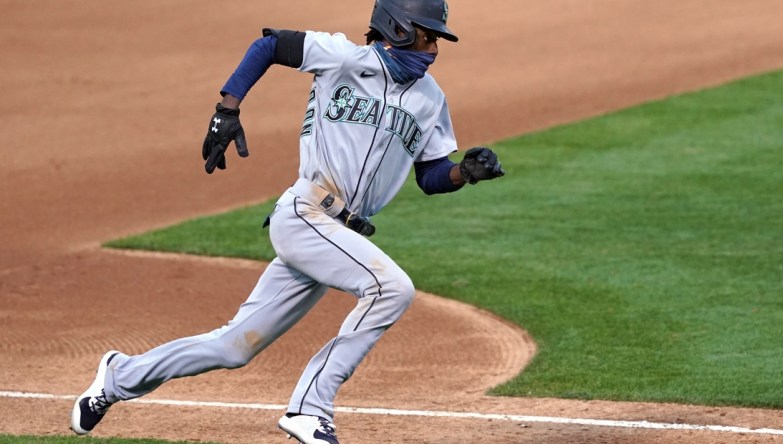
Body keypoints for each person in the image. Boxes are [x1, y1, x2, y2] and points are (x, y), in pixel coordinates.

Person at [70, 0, 504, 442]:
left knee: (233, 346)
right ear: (397, 28)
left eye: (437, 39)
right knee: (390, 288)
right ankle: (310, 408)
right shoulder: (342, 59)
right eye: (427, 35)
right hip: (306, 213)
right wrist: (227, 109)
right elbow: (271, 44)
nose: (434, 48)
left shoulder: (431, 98)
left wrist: (463, 173)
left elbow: (430, 175)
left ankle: (118, 376)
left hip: (337, 234)